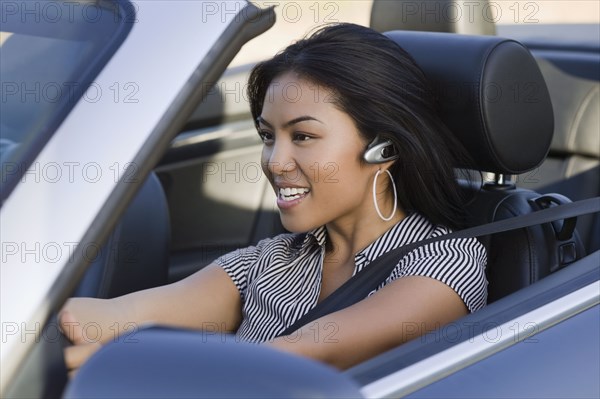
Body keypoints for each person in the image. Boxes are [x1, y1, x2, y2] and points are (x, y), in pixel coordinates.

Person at [60, 23, 487, 373]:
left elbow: (303, 356)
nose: (275, 162)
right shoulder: (273, 259)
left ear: (385, 147)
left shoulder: (444, 264)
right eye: (268, 136)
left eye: (303, 136)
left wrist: (129, 363)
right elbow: (110, 317)